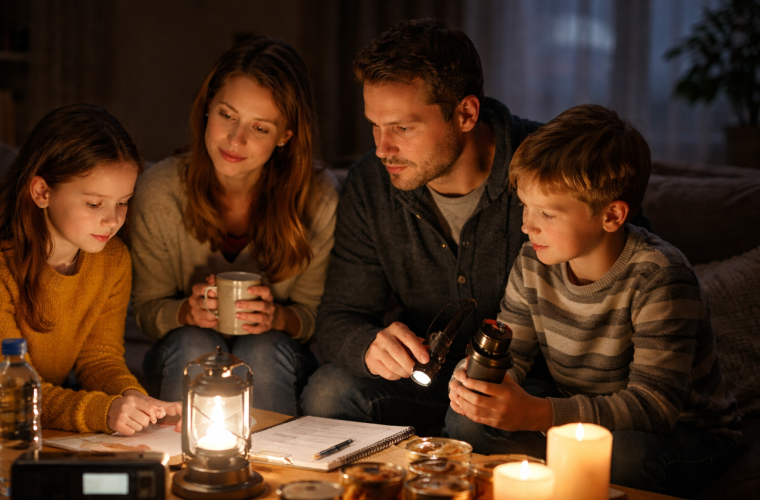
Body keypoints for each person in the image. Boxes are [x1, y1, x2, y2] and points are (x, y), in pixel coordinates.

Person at [300, 19, 650, 430]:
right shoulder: (372, 184)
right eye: (375, 125)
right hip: (429, 378)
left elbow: (628, 257)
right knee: (327, 391)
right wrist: (368, 346)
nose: (382, 148)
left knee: (474, 420)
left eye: (403, 127)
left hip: (531, 386)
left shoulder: (552, 169)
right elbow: (339, 316)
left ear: (465, 114)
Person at [445, 104, 741, 496]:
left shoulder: (660, 276)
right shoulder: (533, 260)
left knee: (625, 457)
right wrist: (477, 386)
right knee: (465, 421)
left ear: (612, 216)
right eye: (525, 207)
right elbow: (513, 354)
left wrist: (538, 415)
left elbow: (654, 407)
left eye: (548, 214)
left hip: (683, 430)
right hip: (579, 419)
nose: (527, 225)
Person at [0, 104, 181, 446]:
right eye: (94, 204)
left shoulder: (113, 259)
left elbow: (99, 358)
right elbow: (12, 390)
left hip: (35, 385)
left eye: (123, 202)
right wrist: (103, 410)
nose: (113, 220)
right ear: (42, 192)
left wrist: (134, 398)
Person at [131, 37, 338, 416]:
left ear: (285, 136)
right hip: (182, 347)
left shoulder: (319, 197)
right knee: (194, 343)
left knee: (263, 348)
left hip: (277, 355)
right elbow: (145, 309)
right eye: (227, 115)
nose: (235, 139)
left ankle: (273, 453)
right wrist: (185, 312)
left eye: (260, 128)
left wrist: (278, 318)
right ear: (208, 107)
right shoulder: (159, 190)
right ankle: (184, 450)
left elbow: (319, 318)